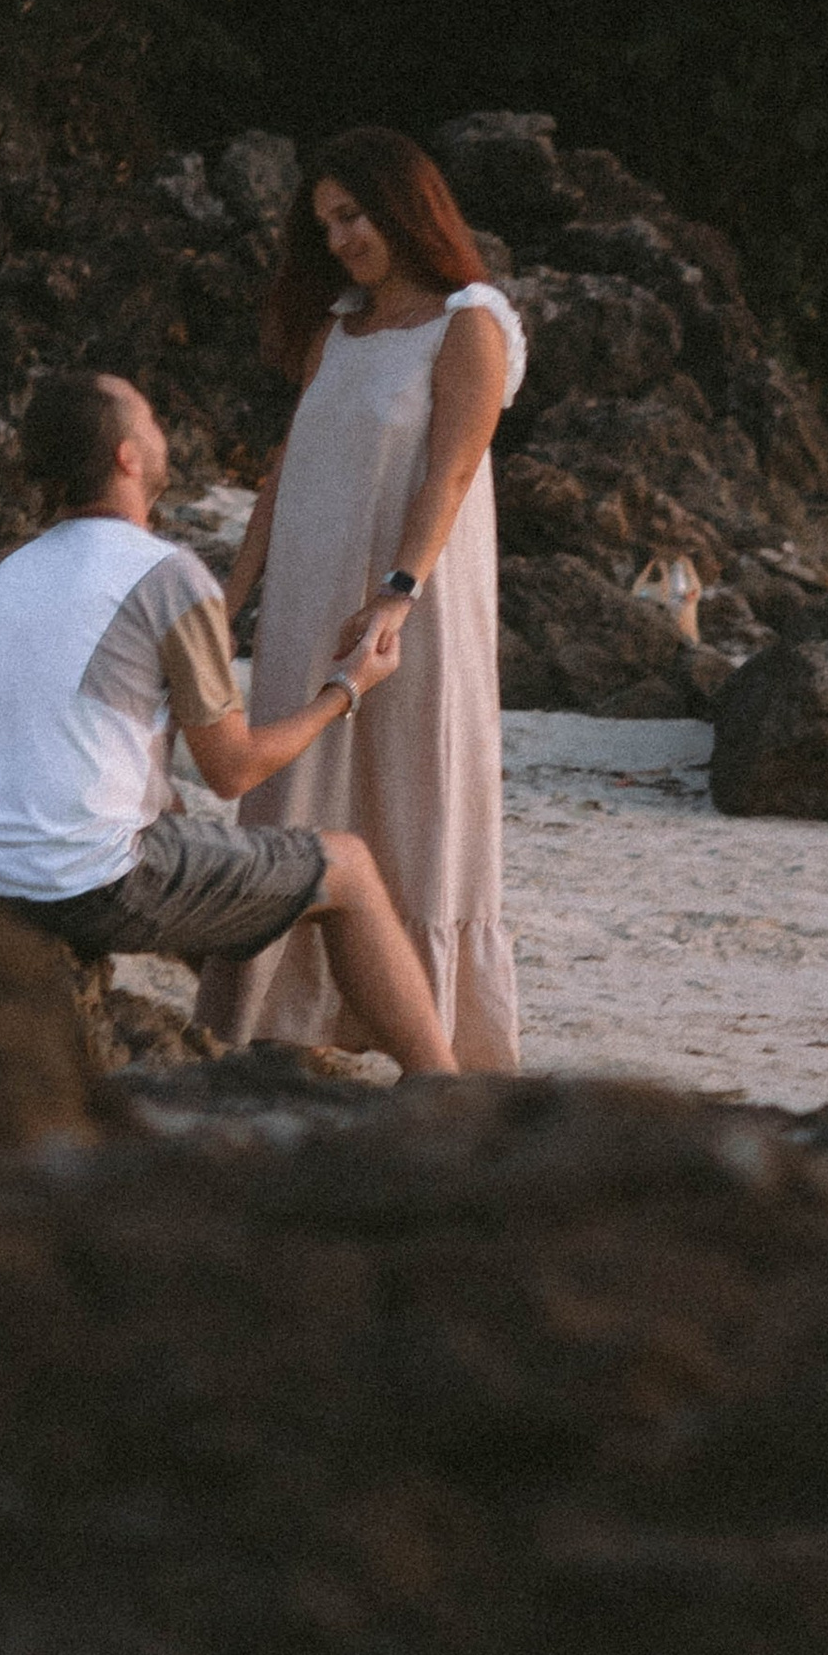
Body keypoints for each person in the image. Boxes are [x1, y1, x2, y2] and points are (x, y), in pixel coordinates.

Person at [0, 367, 458, 1076]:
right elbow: (232, 767)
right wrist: (346, 688)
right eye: (148, 418)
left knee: (193, 837)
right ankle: (446, 1088)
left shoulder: (16, 570)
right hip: (80, 884)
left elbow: (78, 732)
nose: (160, 431)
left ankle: (254, 1031)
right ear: (126, 456)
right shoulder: (167, 575)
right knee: (350, 870)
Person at [198, 127, 524, 1069]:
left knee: (417, 795)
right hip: (310, 596)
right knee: (296, 792)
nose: (339, 238)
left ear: (405, 206)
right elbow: (287, 465)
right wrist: (231, 596)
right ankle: (275, 1024)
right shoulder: (337, 326)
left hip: (412, 601)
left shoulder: (473, 316)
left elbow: (453, 470)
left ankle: (430, 1039)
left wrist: (397, 595)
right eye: (325, 223)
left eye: (352, 214)